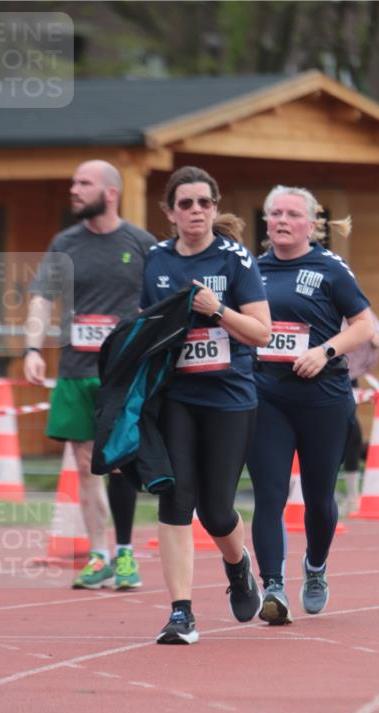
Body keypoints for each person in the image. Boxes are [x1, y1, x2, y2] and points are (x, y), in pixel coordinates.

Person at [139, 165, 271, 645]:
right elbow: (144, 325)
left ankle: (239, 568)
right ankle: (180, 612)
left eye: (205, 203)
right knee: (176, 498)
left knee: (216, 511)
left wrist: (216, 309)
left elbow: (262, 331)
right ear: (170, 212)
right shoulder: (155, 261)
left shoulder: (236, 259)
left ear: (216, 208)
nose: (196, 211)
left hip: (230, 397)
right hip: (176, 397)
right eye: (186, 203)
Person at [248, 185, 377, 625]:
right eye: (275, 214)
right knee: (269, 495)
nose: (283, 221)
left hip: (323, 398)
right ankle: (273, 587)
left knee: (320, 498)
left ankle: (316, 569)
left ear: (311, 223)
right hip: (267, 396)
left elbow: (363, 326)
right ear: (266, 222)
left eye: (292, 214)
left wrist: (324, 352)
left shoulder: (329, 268)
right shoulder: (249, 269)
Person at [23, 160, 155, 588]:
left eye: (84, 183)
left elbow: (161, 303)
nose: (74, 190)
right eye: (73, 181)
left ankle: (126, 554)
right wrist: (31, 347)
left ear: (110, 192)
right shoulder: (65, 243)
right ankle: (98, 554)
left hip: (121, 372)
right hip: (76, 368)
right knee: (84, 464)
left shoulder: (140, 243)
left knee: (117, 462)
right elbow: (42, 299)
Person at [341, 311, 379, 515]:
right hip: (325, 373)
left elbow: (375, 334)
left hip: (349, 377)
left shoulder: (361, 312)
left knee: (352, 435)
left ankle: (352, 497)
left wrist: (374, 339)